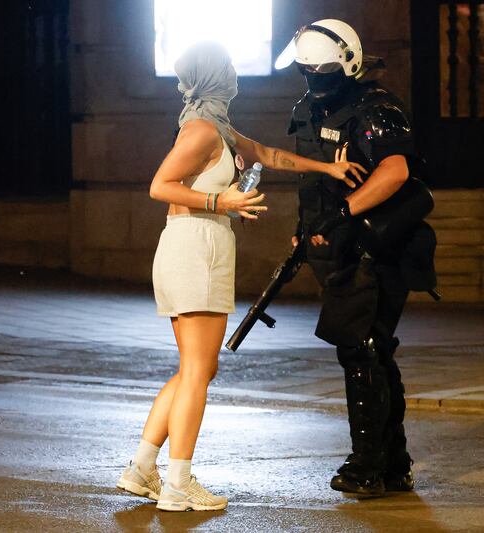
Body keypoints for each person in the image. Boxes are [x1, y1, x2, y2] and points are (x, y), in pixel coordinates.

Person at [116, 42, 366, 512]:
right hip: (197, 249)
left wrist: (327, 168)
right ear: (215, 77)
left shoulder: (219, 130)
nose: (234, 74)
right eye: (228, 68)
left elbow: (268, 154)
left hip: (192, 247)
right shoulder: (202, 131)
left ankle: (142, 468)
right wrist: (222, 201)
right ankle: (178, 484)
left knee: (195, 368)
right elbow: (159, 186)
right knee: (198, 371)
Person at [275, 20, 437, 496]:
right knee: (372, 349)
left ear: (346, 64)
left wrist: (343, 212)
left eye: (319, 71)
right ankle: (393, 463)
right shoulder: (311, 107)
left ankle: (367, 464)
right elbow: (314, 180)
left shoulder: (376, 108)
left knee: (362, 349)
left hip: (376, 248)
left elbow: (395, 171)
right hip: (335, 247)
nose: (311, 78)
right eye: (305, 70)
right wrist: (307, 228)